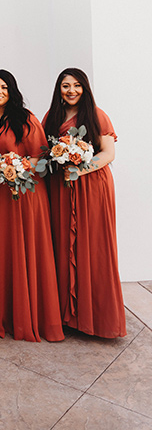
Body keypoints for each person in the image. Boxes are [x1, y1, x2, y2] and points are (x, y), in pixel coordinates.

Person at [0, 69, 64, 342]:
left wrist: (16, 165)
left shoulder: (25, 120)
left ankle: (29, 317)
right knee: (0, 252)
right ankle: (1, 316)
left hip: (23, 196)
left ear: (11, 90)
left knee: (22, 250)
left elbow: (42, 162)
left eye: (3, 87)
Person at [43, 68, 126, 338]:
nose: (71, 91)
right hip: (61, 190)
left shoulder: (97, 115)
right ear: (59, 89)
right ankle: (69, 316)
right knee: (63, 244)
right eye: (66, 86)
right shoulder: (52, 117)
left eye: (77, 86)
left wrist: (80, 168)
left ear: (85, 88)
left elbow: (108, 153)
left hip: (92, 188)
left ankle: (97, 319)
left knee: (93, 247)